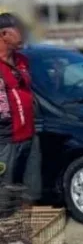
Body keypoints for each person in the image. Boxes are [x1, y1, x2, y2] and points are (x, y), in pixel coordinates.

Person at [0, 13, 40, 203]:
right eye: (18, 30)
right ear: (4, 34)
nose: (23, 34)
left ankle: (22, 225)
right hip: (6, 138)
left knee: (29, 190)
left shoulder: (23, 60)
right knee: (4, 190)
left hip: (29, 134)